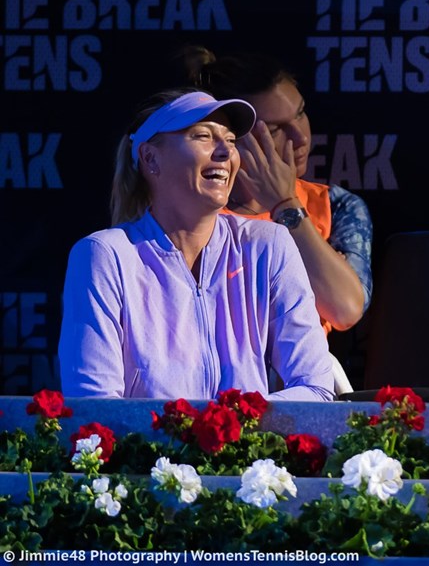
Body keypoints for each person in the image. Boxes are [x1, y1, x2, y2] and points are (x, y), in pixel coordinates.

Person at [59, 89, 335, 400]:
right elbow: (93, 401)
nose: (225, 152)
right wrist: (194, 425)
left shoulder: (267, 245)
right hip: (149, 436)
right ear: (150, 158)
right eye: (203, 136)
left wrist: (230, 420)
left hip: (249, 434)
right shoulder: (105, 255)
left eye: (230, 140)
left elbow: (316, 387)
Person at [179, 47, 372, 338]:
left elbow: (344, 309)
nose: (301, 137)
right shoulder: (188, 210)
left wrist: (285, 205)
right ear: (229, 137)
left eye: (301, 113)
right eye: (274, 129)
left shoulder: (336, 205)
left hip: (301, 366)